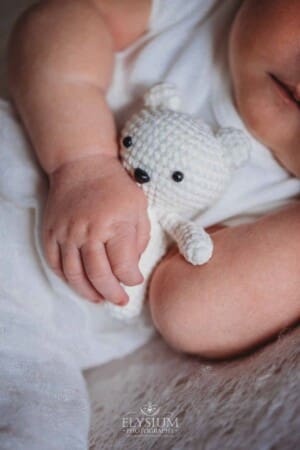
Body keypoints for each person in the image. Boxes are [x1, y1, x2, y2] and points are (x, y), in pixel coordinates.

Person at [1, 0, 300, 446]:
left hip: (31, 330)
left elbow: (191, 309)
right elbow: (57, 18)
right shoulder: (197, 13)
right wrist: (82, 161)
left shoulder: (284, 211)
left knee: (43, 424)